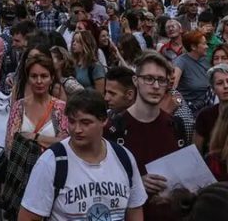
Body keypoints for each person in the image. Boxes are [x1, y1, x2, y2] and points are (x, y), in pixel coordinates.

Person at [19, 89, 147, 221]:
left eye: (85, 123)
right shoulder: (51, 162)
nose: (77, 130)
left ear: (103, 121)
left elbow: (135, 211)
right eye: (72, 122)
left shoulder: (123, 157)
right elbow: (28, 217)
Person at [105, 51, 189, 221]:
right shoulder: (114, 129)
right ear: (136, 81)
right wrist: (136, 184)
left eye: (161, 80)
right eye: (149, 79)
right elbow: (102, 180)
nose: (156, 86)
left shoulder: (176, 125)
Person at [0, 51, 68, 219]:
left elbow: (64, 145)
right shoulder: (18, 107)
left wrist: (34, 137)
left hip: (52, 182)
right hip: (21, 180)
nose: (39, 81)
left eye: (44, 76)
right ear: (28, 78)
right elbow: (10, 146)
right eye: (34, 76)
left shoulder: (61, 108)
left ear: (52, 78)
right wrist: (48, 143)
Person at [175, 30, 211, 113]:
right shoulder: (180, 62)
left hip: (208, 106)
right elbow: (172, 89)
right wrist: (182, 107)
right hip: (190, 109)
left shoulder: (207, 60)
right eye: (204, 44)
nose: (207, 46)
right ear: (193, 47)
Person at [70, 29, 106, 93]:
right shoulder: (74, 64)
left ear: (86, 44)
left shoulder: (96, 67)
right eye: (73, 41)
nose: (74, 43)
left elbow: (100, 94)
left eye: (78, 41)